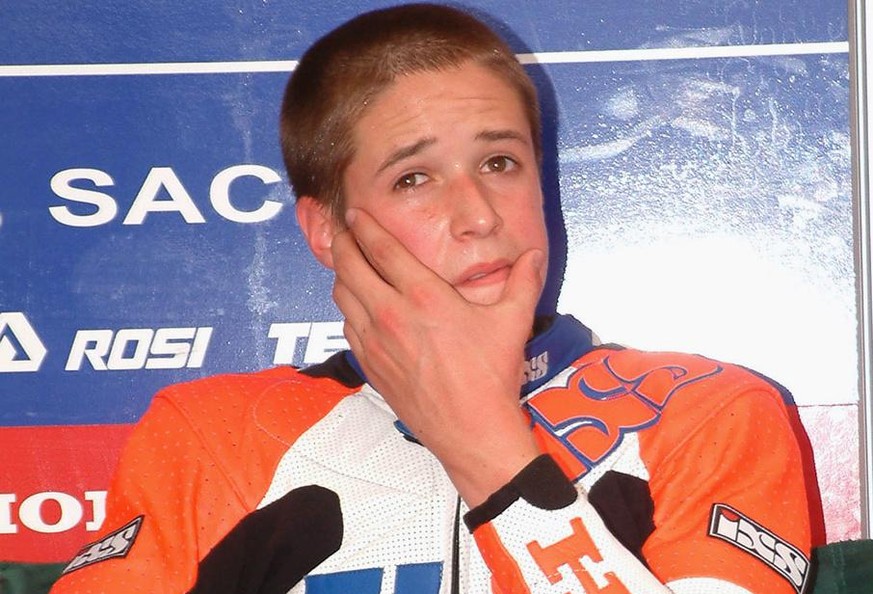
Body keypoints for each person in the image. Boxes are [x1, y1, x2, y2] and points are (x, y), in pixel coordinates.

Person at [50, 3, 815, 593]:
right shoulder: (209, 434)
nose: (479, 213)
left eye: (500, 161)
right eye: (413, 177)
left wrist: (488, 452)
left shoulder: (705, 409)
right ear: (325, 230)